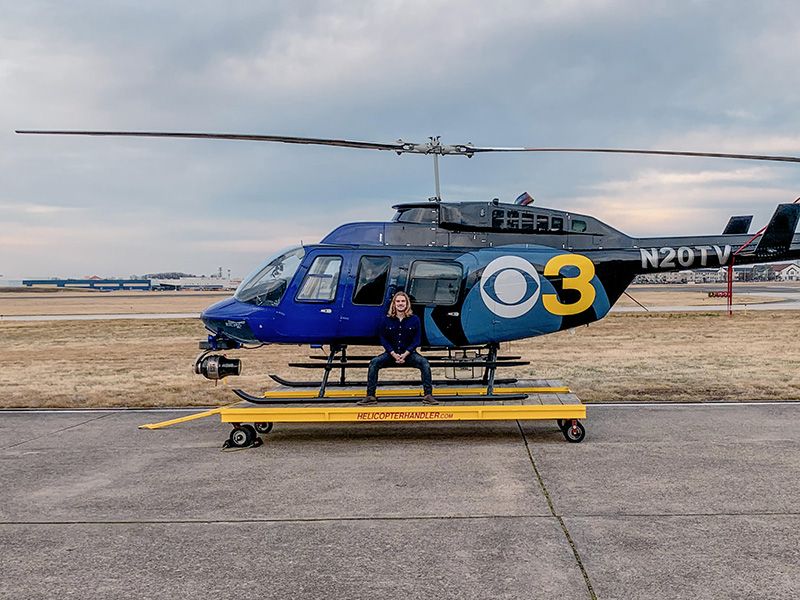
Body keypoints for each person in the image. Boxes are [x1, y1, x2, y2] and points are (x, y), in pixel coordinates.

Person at [358, 291, 437, 406]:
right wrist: (393, 353)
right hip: (390, 354)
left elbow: (417, 340)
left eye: (403, 301)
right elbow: (383, 338)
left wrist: (405, 354)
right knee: (374, 363)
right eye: (398, 301)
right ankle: (370, 396)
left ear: (407, 303)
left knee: (424, 363)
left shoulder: (415, 319)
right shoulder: (386, 319)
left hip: (409, 355)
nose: (400, 303)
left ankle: (428, 395)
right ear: (394, 304)